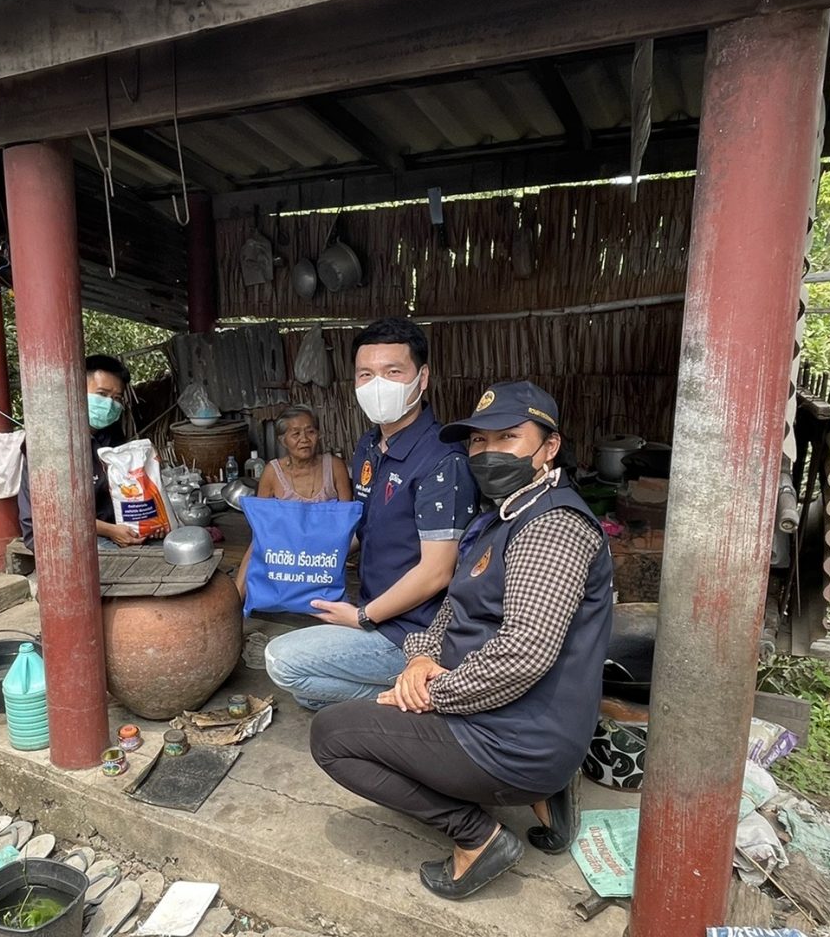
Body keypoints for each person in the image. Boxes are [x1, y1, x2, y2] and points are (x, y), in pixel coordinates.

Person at [307, 381, 614, 900]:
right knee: (377, 699)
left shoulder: (552, 527)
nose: (488, 453)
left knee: (332, 736)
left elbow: (524, 654)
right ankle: (547, 797)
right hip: (507, 719)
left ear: (549, 447)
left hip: (514, 737)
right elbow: (455, 604)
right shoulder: (503, 513)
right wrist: (420, 659)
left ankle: (477, 836)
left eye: (508, 438)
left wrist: (429, 694)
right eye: (478, 442)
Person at [262, 318, 476, 708]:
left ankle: (424, 694)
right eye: (366, 374)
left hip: (414, 632)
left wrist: (362, 617)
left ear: (422, 378)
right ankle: (402, 697)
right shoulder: (369, 445)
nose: (378, 384)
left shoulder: (443, 461)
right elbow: (364, 527)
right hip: (377, 611)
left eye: (393, 371)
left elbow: (437, 571)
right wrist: (304, 560)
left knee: (281, 661)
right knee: (306, 689)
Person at [16, 354, 150, 549]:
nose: (110, 404)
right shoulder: (50, 439)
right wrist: (111, 531)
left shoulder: (110, 435)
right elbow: (58, 514)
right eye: (102, 394)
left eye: (117, 398)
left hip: (108, 528)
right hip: (58, 535)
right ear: (77, 391)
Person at [256, 405, 353, 503]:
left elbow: (346, 513)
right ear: (283, 441)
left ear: (318, 435)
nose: (304, 439)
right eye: (296, 434)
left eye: (310, 432)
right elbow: (262, 515)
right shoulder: (272, 472)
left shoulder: (335, 467)